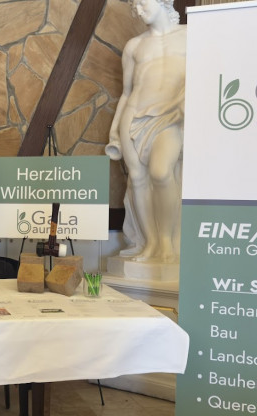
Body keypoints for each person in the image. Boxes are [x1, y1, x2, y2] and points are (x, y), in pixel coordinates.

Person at [106, 0, 185, 263]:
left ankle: (167, 242)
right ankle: (150, 243)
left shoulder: (191, 36)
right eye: (135, 7)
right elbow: (127, 92)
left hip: (170, 116)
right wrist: (115, 130)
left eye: (142, 4)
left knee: (161, 173)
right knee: (137, 180)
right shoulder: (134, 46)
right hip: (133, 116)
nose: (138, 11)